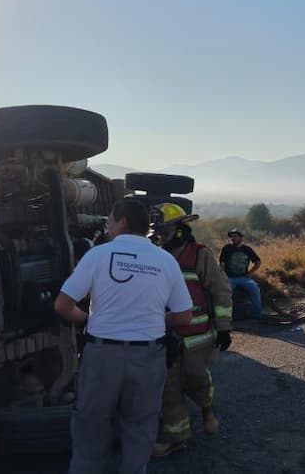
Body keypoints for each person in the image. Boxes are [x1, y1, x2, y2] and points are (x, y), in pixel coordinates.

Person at [54, 199, 192, 474]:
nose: (107, 226)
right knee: (140, 426)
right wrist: (159, 320)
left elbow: (62, 305)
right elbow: (184, 317)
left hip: (102, 355)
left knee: (91, 425)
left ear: (123, 222)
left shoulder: (98, 255)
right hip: (148, 357)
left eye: (110, 220)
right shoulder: (165, 260)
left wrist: (87, 319)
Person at [150, 203, 233, 458]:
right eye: (158, 231)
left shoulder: (199, 254)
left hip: (197, 336)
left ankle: (207, 407)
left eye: (165, 231)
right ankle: (176, 437)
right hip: (166, 335)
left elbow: (220, 291)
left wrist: (223, 328)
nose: (161, 236)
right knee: (168, 387)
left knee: (195, 377)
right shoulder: (153, 255)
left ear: (180, 229)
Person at [219, 228, 263, 319]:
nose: (232, 238)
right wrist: (223, 277)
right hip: (230, 278)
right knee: (226, 292)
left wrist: (250, 273)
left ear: (241, 238)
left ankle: (257, 315)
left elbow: (258, 262)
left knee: (255, 290)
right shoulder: (227, 248)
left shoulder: (247, 249)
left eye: (235, 236)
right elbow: (222, 264)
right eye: (231, 236)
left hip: (244, 278)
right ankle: (227, 317)